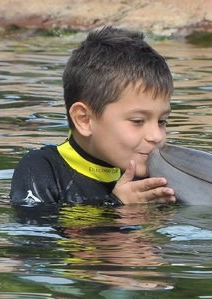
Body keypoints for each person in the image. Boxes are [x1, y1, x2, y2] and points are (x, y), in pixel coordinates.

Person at [10, 26, 176, 207]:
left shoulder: (148, 176)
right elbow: (34, 231)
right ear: (84, 119)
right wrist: (118, 205)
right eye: (138, 121)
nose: (157, 136)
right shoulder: (41, 170)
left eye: (161, 121)